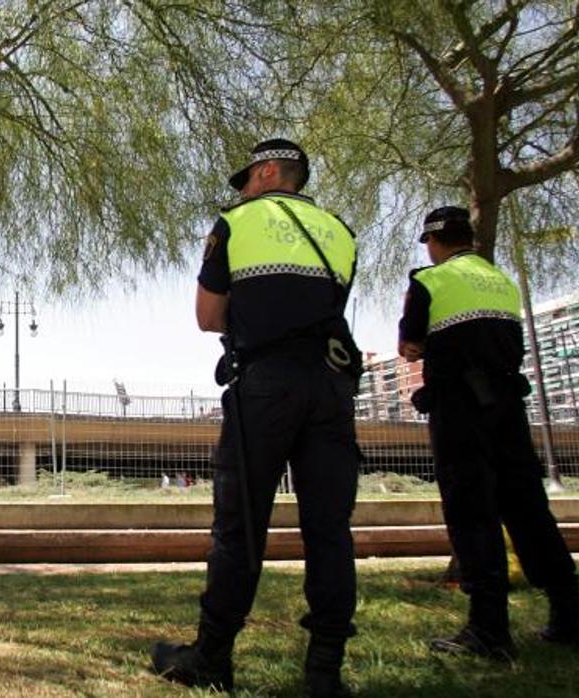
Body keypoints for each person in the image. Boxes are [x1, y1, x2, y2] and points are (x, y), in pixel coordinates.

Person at [151, 139, 361, 697]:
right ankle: (325, 673)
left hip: (267, 385)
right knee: (330, 529)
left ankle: (212, 655)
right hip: (333, 384)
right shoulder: (340, 231)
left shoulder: (238, 222)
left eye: (246, 178)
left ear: (268, 172)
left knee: (239, 526)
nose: (242, 189)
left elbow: (207, 316)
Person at [398, 206, 579, 660]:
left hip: (460, 409)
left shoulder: (429, 281)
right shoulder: (500, 280)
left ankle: (489, 630)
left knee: (472, 511)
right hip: (508, 407)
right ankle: (569, 617)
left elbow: (410, 344)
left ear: (433, 241)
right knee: (529, 511)